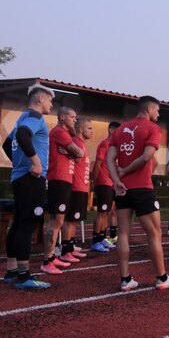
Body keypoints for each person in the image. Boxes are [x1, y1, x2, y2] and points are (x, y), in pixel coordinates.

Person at [107, 95, 169, 291]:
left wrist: (116, 180)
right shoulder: (153, 128)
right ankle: (162, 278)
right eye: (157, 110)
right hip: (142, 188)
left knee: (123, 233)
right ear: (148, 109)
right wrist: (124, 171)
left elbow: (109, 158)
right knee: (155, 233)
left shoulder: (120, 129)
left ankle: (125, 280)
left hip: (122, 189)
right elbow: (148, 155)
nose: (158, 114)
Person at [2, 83, 54, 289]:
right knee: (27, 223)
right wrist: (35, 162)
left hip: (20, 176)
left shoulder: (22, 118)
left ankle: (11, 271)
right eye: (50, 100)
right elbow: (23, 135)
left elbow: (7, 143)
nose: (51, 104)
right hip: (31, 178)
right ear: (40, 99)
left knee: (18, 223)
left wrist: (20, 163)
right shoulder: (35, 116)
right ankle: (24, 276)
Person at [41, 107, 84, 274]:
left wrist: (68, 152)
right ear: (62, 117)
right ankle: (47, 260)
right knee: (56, 221)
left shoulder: (66, 134)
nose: (74, 119)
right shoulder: (59, 132)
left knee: (59, 220)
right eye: (72, 117)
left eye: (75, 117)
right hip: (58, 179)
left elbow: (79, 156)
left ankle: (51, 257)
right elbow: (79, 152)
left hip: (64, 180)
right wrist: (72, 152)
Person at [59, 118, 93, 259]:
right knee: (70, 220)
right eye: (89, 128)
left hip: (82, 187)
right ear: (80, 129)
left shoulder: (82, 144)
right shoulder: (75, 142)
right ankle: (65, 251)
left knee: (74, 220)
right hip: (75, 187)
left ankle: (71, 247)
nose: (92, 131)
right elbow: (72, 155)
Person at [91, 121, 121, 252]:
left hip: (112, 183)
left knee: (107, 212)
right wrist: (95, 182)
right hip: (103, 182)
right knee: (102, 212)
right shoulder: (105, 144)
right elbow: (97, 164)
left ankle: (102, 237)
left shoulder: (116, 147)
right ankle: (95, 240)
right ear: (111, 130)